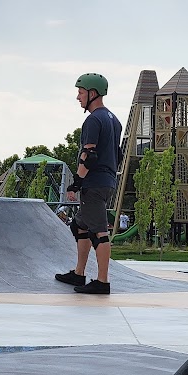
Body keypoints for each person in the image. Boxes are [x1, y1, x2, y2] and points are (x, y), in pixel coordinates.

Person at [55, 73, 122, 295]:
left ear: (92, 93)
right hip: (107, 180)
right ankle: (79, 273)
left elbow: (89, 155)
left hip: (94, 183)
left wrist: (77, 182)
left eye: (81, 92)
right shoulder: (115, 120)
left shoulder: (93, 119)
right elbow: (117, 153)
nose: (78, 97)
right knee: (80, 225)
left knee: (99, 233)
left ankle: (102, 281)